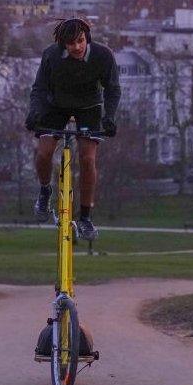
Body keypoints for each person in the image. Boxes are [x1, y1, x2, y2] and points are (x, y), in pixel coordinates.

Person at [24, 18, 120, 241]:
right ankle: (45, 191)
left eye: (80, 41)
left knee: (88, 159)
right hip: (56, 105)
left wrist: (110, 117)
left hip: (89, 107)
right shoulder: (51, 56)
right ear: (62, 44)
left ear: (87, 38)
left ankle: (86, 217)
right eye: (70, 44)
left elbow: (113, 89)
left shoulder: (103, 56)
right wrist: (34, 113)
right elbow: (39, 88)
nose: (76, 47)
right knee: (44, 152)